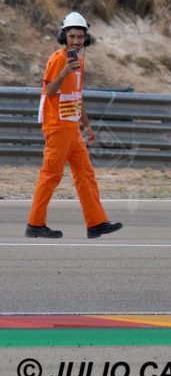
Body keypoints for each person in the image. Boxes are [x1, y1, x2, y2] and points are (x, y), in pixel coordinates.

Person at [26, 12, 123, 239]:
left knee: (85, 175)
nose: (77, 41)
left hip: (72, 128)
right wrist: (63, 73)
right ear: (64, 36)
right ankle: (35, 224)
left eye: (80, 36)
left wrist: (87, 127)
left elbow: (77, 97)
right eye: (72, 36)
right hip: (57, 127)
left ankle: (96, 223)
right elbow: (49, 92)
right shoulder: (58, 59)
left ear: (85, 39)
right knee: (51, 175)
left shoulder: (79, 60)